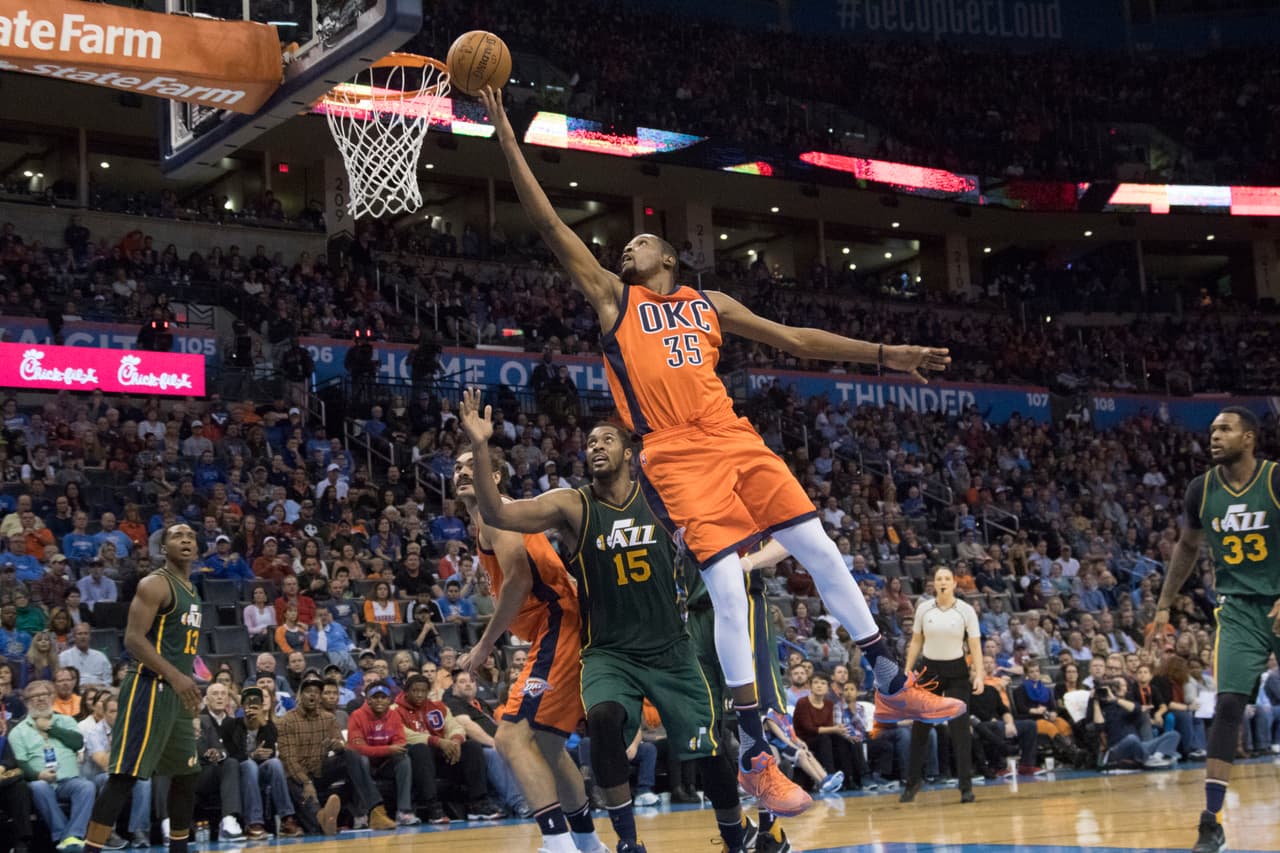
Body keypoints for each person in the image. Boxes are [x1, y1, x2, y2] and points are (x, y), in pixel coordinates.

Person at [479, 84, 959, 815]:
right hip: (673, 453)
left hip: (735, 436)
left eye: (638, 240)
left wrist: (890, 354)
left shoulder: (709, 305)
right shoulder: (616, 302)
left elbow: (796, 340)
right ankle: (755, 756)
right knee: (728, 590)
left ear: (669, 255)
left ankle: (889, 681)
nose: (624, 247)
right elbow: (548, 222)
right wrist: (505, 131)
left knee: (819, 546)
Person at [459, 408, 759, 852]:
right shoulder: (573, 505)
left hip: (670, 648)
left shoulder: (660, 499)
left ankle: (737, 836)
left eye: (606, 440)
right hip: (608, 651)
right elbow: (497, 512)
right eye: (591, 442)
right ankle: (626, 843)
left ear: (630, 453)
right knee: (601, 720)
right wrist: (481, 447)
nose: (596, 446)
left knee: (710, 750)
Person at [447, 443, 608, 853]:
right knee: (549, 746)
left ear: (494, 475)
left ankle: (558, 844)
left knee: (510, 739)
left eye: (472, 465)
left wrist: (485, 645)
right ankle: (588, 844)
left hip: (558, 625)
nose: (463, 472)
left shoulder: (494, 512)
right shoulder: (494, 516)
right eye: (457, 468)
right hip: (562, 627)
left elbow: (519, 579)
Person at [1150, 406, 1280, 853]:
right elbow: (1187, 547)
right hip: (1240, 609)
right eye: (1211, 430)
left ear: (1249, 438)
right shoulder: (1200, 491)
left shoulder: (1275, 480)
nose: (1214, 436)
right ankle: (1211, 821)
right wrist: (1164, 605)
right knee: (1227, 705)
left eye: (1225, 429)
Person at [79, 524, 205, 853]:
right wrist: (177, 677)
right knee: (124, 775)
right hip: (149, 687)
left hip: (176, 695)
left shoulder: (191, 589)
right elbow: (133, 639)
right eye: (178, 536)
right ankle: (90, 849)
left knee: (186, 773)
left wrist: (186, 682)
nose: (186, 540)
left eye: (190, 536)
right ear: (163, 548)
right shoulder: (155, 584)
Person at [899, 566, 983, 804]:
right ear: (933, 584)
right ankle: (913, 783)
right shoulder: (924, 608)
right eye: (939, 579)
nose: (943, 582)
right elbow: (916, 641)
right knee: (920, 729)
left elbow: (975, 645)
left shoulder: (965, 610)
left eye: (947, 578)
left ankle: (965, 786)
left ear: (954, 583)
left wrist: (979, 673)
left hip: (957, 671)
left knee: (960, 730)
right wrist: (907, 670)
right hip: (929, 670)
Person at [392, 672, 501, 824]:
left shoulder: (438, 707)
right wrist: (437, 741)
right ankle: (432, 807)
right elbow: (403, 734)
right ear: (406, 692)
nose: (419, 694)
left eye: (423, 691)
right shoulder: (394, 709)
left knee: (472, 747)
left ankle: (478, 803)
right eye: (415, 691)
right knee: (421, 749)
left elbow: (455, 726)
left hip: (444, 755)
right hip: (416, 759)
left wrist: (455, 741)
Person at [223, 686, 301, 838]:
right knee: (250, 765)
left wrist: (262, 723)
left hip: (261, 770)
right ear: (242, 707)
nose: (251, 709)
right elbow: (232, 754)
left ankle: (287, 819)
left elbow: (270, 753)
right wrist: (252, 755)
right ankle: (254, 823)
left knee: (275, 764)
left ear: (261, 707)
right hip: (240, 771)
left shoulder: (269, 726)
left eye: (256, 705)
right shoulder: (231, 725)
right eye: (248, 705)